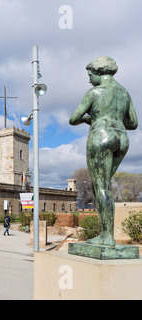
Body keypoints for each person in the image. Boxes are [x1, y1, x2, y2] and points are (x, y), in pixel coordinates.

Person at [69, 56, 138, 246]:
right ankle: (106, 234)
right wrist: (115, 119)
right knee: (103, 185)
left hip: (101, 136)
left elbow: (73, 118)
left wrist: (89, 119)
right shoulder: (124, 93)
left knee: (100, 187)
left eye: (90, 74)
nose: (89, 79)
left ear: (99, 73)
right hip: (122, 139)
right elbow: (133, 123)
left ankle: (107, 237)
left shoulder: (94, 92)